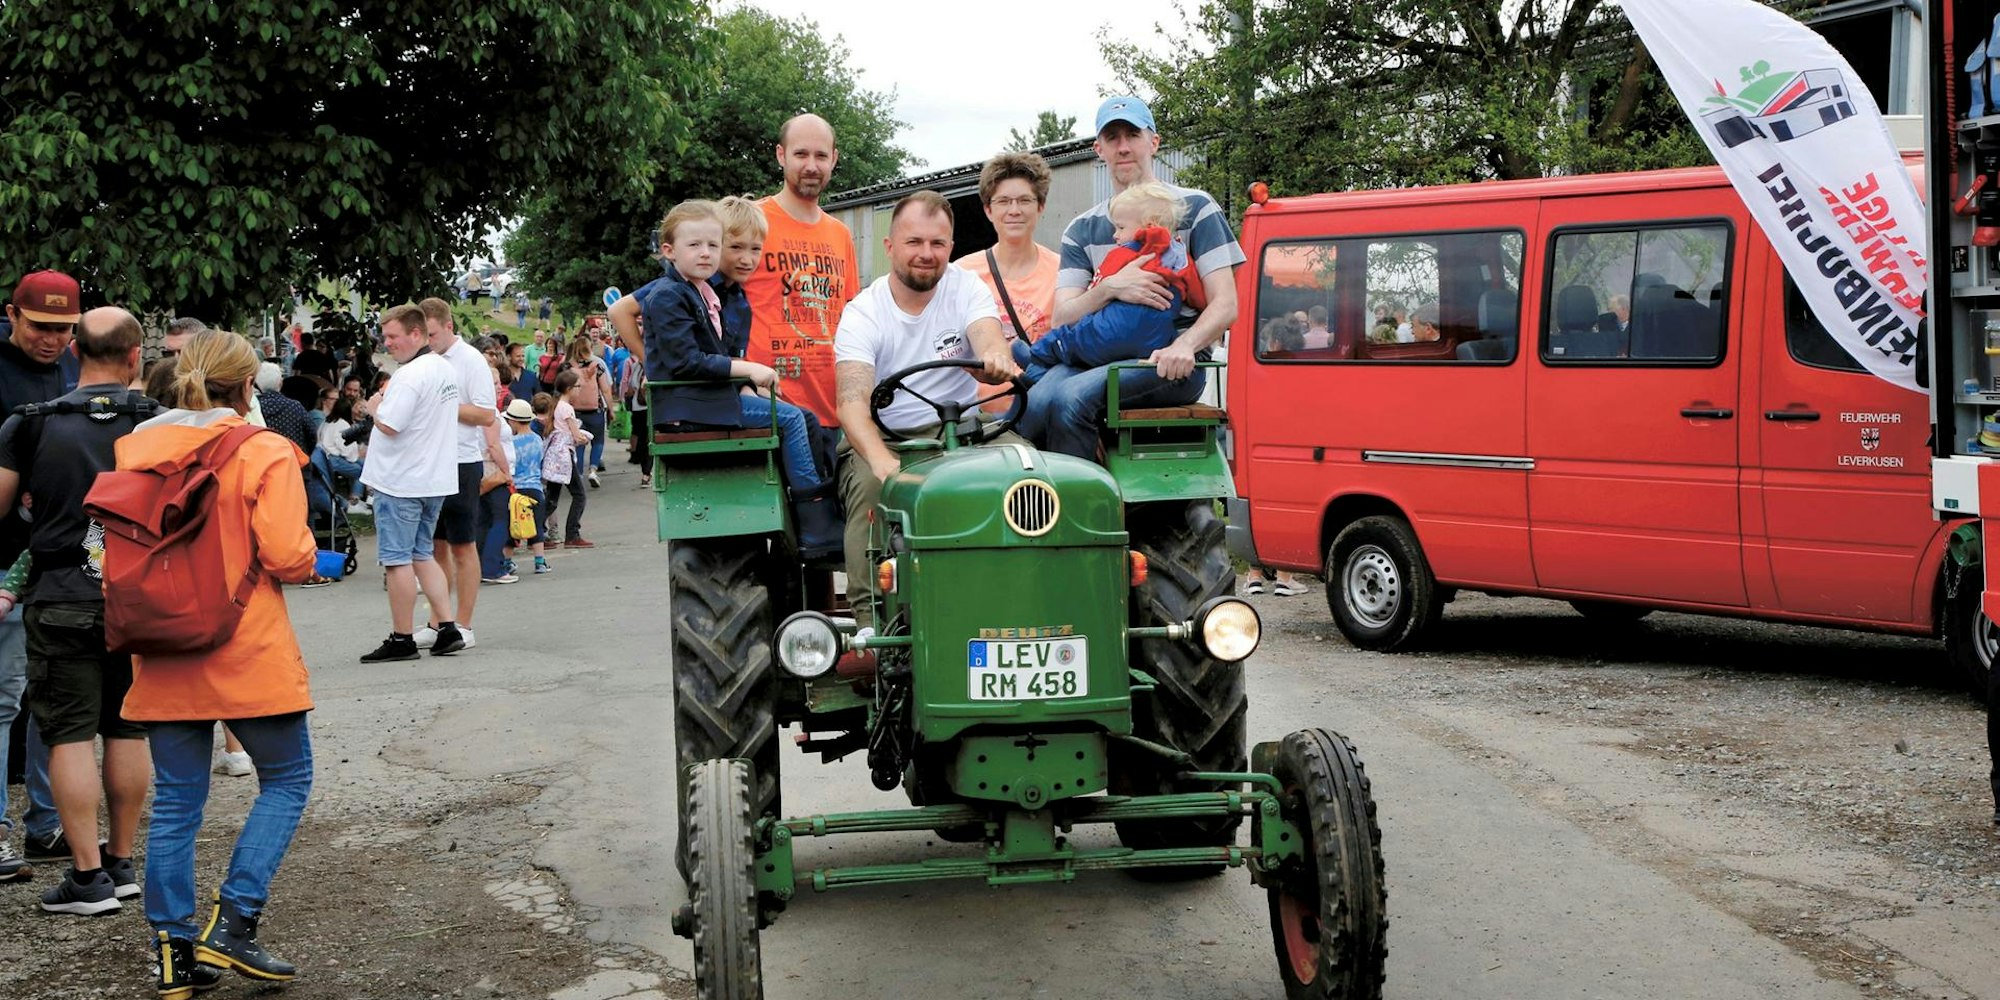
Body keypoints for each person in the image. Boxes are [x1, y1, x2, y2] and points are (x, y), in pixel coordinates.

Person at [118, 328, 318, 993]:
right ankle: (234, 923)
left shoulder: (134, 449)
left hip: (162, 645)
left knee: (176, 803)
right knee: (286, 778)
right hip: (244, 645)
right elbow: (289, 556)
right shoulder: (264, 450)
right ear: (246, 387)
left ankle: (172, 954)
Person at [0, 305, 151, 913]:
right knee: (127, 725)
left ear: (74, 351)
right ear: (136, 357)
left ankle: (86, 880)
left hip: (62, 595)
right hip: (139, 599)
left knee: (67, 734)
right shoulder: (158, 423)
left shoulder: (29, 424)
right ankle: (122, 861)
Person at [834, 192, 1023, 630]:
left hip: (959, 429)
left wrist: (995, 358)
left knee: (1025, 470)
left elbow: (988, 336)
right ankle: (871, 624)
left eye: (937, 244)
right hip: (885, 436)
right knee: (871, 488)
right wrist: (883, 463)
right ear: (890, 247)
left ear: (950, 248)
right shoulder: (863, 313)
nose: (926, 254)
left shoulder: (966, 288)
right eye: (914, 242)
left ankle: (1019, 599)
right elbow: (850, 405)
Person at [1031, 95, 1242, 461]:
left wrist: (1184, 347)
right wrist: (1111, 287)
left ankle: (1084, 512)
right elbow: (1062, 317)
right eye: (1112, 138)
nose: (1123, 146)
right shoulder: (1081, 229)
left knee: (1070, 399)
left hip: (1165, 361)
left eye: (1133, 134)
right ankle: (1039, 500)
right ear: (1099, 149)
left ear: (1154, 142)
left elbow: (1226, 304)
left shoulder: (1196, 208)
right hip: (1094, 356)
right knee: (1033, 402)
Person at [642, 199, 838, 553]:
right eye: (695, 245)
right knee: (792, 420)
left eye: (712, 246)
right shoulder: (668, 296)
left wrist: (745, 385)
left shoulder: (699, 292)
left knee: (806, 419)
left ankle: (812, 510)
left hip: (706, 399)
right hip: (691, 408)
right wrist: (749, 370)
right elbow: (688, 363)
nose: (706, 253)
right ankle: (815, 525)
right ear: (669, 251)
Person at [0, 270, 81, 881]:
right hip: (5, 554)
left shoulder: (74, 370)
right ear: (12, 315)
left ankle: (45, 825)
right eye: (41, 327)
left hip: (62, 554)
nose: (52, 340)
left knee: (52, 700)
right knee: (3, 700)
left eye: (64, 329)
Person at [355, 305, 463, 662]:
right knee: (421, 553)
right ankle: (447, 627)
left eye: (392, 337)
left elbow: (391, 424)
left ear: (416, 334)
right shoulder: (444, 369)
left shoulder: (410, 375)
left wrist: (374, 408)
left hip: (402, 480)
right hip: (433, 477)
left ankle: (402, 637)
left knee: (397, 560)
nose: (387, 344)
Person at [1014, 182, 1204, 383]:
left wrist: (1102, 292)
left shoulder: (1125, 253)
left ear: (1149, 226)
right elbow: (1198, 297)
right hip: (1153, 343)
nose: (1115, 235)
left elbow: (1101, 284)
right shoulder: (1182, 259)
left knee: (1069, 336)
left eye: (1120, 227)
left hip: (1111, 332)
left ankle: (1036, 360)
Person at [742, 113, 861, 429]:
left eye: (821, 155)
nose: (812, 165)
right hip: (769, 407)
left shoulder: (840, 234)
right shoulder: (750, 223)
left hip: (832, 410)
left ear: (834, 159)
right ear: (781, 155)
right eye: (801, 154)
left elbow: (851, 318)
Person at [412, 298, 502, 654]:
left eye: (432, 334)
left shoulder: (471, 361)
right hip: (429, 462)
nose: (427, 341)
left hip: (462, 462)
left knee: (463, 546)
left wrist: (442, 404)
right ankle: (439, 623)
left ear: (448, 327)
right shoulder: (423, 360)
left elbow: (486, 414)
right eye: (423, 335)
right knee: (434, 546)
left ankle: (464, 624)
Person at [956, 153, 1062, 348]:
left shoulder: (1062, 272)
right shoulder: (962, 273)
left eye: (1024, 200)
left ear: (1040, 207)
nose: (1014, 210)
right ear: (988, 210)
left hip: (1038, 379)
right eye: (1003, 201)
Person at [536, 384, 590, 547]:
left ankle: (536, 534)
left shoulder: (557, 405)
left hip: (555, 457)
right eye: (577, 386)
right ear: (569, 388)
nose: (579, 389)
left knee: (552, 497)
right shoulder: (566, 408)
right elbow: (576, 435)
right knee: (579, 495)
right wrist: (585, 438)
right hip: (563, 456)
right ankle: (572, 534)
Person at [502, 399, 551, 575]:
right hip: (535, 488)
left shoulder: (511, 443)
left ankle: (506, 562)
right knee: (536, 526)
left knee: (512, 527)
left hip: (515, 490)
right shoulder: (537, 440)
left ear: (513, 421)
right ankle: (540, 562)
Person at [562, 335, 613, 487]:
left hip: (575, 411)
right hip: (595, 410)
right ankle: (593, 470)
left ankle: (578, 474)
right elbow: (606, 390)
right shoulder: (597, 365)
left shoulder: (567, 366)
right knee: (598, 442)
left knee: (579, 443)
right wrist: (611, 409)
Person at [255, 362, 316, 456]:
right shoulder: (295, 406)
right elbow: (312, 434)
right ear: (280, 383)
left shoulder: (253, 408)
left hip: (265, 461)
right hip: (295, 461)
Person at [320, 396, 367, 508]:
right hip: (334, 460)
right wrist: (356, 455)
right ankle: (354, 501)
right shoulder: (343, 425)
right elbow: (348, 452)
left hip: (325, 457)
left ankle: (367, 495)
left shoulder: (327, 421)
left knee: (364, 464)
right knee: (361, 471)